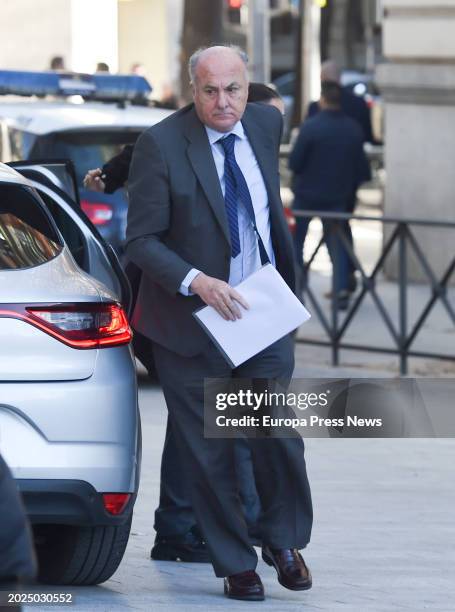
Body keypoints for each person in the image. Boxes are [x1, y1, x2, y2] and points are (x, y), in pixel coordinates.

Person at [125, 44, 312, 601]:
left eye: (233, 89)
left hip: (262, 314)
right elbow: (141, 240)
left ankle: (281, 541)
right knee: (212, 449)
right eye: (210, 91)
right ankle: (236, 564)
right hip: (192, 320)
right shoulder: (160, 144)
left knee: (276, 433)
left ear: (248, 87)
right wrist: (197, 281)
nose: (223, 102)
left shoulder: (264, 123)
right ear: (193, 90)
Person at [82, 81, 288, 565]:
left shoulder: (247, 149)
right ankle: (228, 531)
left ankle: (188, 526)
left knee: (209, 422)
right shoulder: (176, 144)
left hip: (249, 309)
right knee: (224, 422)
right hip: (181, 311)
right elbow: (147, 229)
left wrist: (107, 176)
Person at [290, 81, 370, 309]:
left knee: (297, 244)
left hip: (306, 197)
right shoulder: (353, 129)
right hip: (336, 198)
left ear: (323, 100)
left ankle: (296, 292)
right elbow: (362, 170)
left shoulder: (311, 127)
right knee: (337, 245)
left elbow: (295, 162)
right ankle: (341, 292)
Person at [308, 60, 374, 293]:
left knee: (334, 232)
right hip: (349, 177)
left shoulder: (318, 107)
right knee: (342, 228)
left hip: (325, 180)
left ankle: (344, 280)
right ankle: (347, 277)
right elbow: (367, 136)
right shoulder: (357, 104)